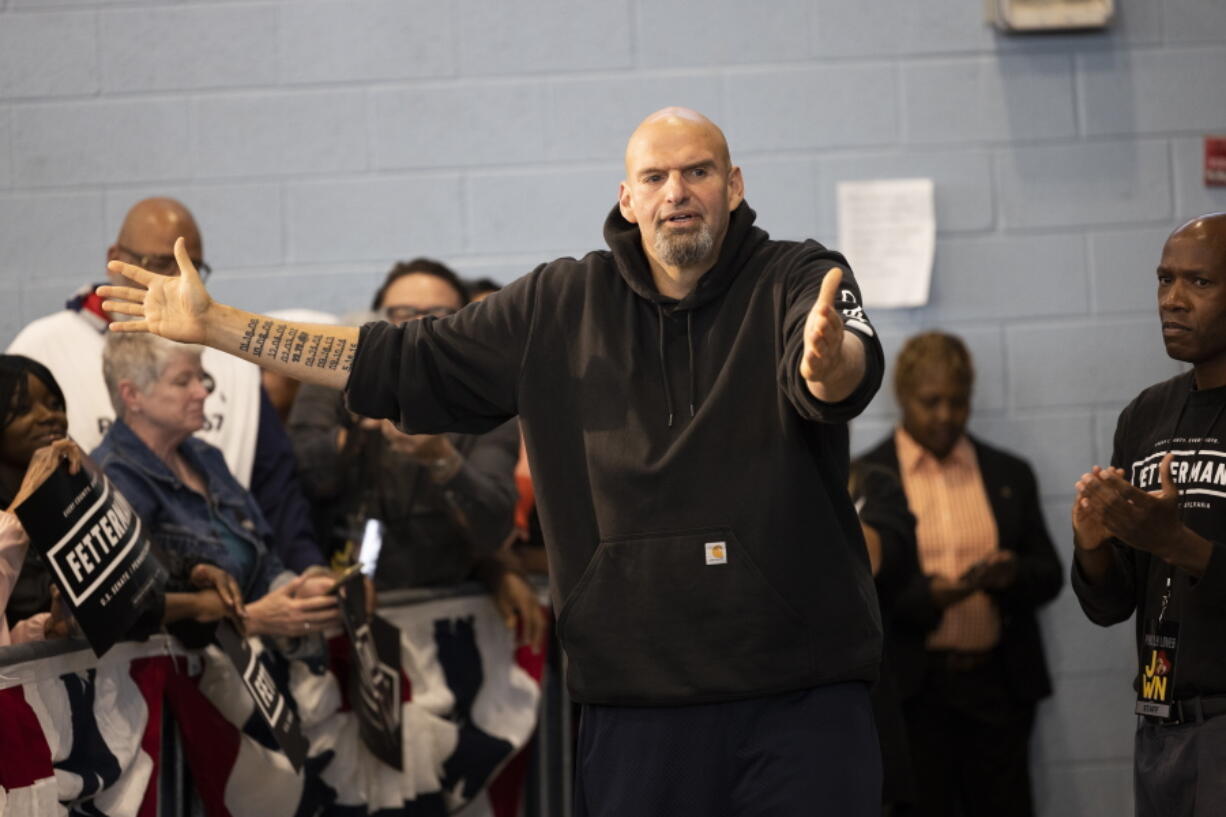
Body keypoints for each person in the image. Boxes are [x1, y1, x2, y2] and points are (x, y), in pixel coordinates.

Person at [99, 107, 886, 814]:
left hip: (802, 702)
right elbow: (393, 358)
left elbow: (843, 362)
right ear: (628, 197)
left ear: (734, 184)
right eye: (656, 175)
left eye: (698, 171)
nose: (677, 189)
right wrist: (219, 325)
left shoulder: (800, 278)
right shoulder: (558, 305)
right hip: (638, 707)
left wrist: (825, 364)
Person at [7, 198, 324, 573]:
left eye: (191, 268)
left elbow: (277, 490)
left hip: (241, 580)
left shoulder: (229, 360)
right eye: (158, 264)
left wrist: (309, 574)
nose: (175, 284)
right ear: (115, 257)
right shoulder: (45, 345)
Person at [857, 331, 1062, 817]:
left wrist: (1010, 574)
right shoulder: (866, 479)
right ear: (902, 398)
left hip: (997, 689)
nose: (946, 416)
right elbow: (860, 595)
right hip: (914, 694)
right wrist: (929, 597)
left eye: (958, 402)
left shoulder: (1009, 474)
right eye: (931, 402)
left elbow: (1050, 575)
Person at [288, 258, 544, 647]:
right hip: (334, 612)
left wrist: (442, 457)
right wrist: (354, 432)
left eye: (438, 316)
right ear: (377, 321)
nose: (416, 329)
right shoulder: (332, 381)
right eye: (402, 314)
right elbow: (297, 477)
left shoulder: (490, 406)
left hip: (445, 615)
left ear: (464, 326)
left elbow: (495, 525)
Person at [1072, 212, 1226, 816]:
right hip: (1158, 718)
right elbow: (1112, 606)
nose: (1173, 301)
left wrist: (1177, 542)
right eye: (1164, 281)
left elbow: (1179, 548)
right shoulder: (1145, 417)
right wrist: (1093, 546)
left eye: (1199, 283)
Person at [92, 333, 340, 639]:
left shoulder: (206, 457)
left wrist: (299, 591)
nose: (202, 392)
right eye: (183, 382)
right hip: (172, 675)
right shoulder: (112, 479)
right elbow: (132, 606)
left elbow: (264, 558)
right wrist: (248, 622)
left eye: (202, 378)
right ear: (132, 395)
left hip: (248, 668)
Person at [1, 355, 244, 646]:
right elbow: (60, 601)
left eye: (54, 404)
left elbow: (135, 557)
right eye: (23, 409)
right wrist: (195, 605)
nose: (48, 416)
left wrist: (193, 571)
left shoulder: (72, 488)